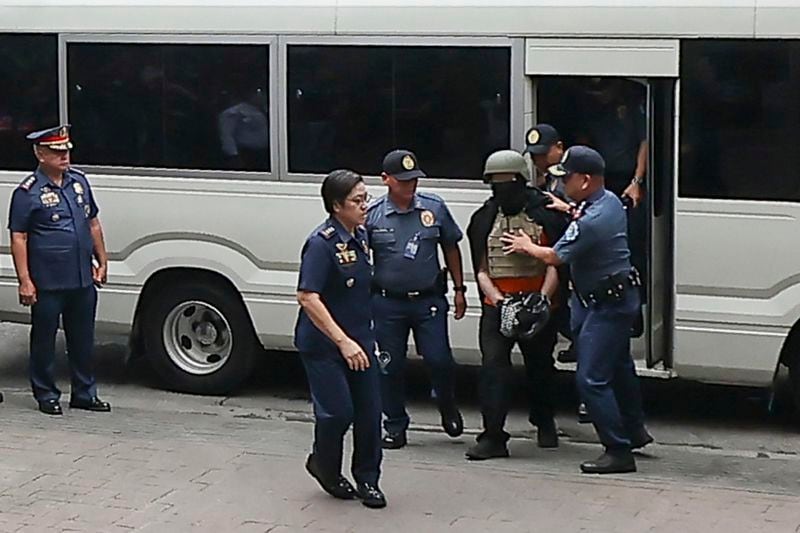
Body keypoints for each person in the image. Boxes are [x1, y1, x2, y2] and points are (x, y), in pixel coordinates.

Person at [500, 146, 653, 474]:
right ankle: (635, 430)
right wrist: (567, 208)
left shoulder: (590, 222)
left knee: (591, 379)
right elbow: (583, 214)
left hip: (606, 305)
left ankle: (617, 449)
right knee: (620, 366)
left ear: (585, 180)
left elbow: (555, 256)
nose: (561, 183)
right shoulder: (608, 201)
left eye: (566, 178)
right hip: (602, 299)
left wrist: (527, 246)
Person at [464, 149, 569, 460]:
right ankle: (493, 436)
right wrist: (498, 300)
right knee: (493, 369)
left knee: (540, 369)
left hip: (539, 304)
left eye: (508, 181)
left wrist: (541, 300)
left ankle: (544, 421)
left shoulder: (545, 213)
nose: (502, 188)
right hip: (498, 305)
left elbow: (556, 263)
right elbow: (482, 269)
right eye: (495, 183)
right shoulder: (483, 219)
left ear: (521, 179)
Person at [294, 169, 386, 509]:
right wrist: (341, 341)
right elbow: (307, 296)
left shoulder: (361, 236)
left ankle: (368, 480)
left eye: (366, 197)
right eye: (357, 200)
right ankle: (324, 465)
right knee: (337, 414)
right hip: (324, 345)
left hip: (361, 340)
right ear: (336, 206)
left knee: (369, 413)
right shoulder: (322, 243)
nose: (366, 205)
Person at [366, 149, 466, 449]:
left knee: (440, 360)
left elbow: (451, 246)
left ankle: (446, 402)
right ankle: (395, 424)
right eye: (403, 180)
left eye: (414, 180)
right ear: (386, 180)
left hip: (428, 301)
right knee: (389, 365)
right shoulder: (373, 215)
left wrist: (460, 290)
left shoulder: (433, 208)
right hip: (387, 303)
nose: (410, 186)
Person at [8, 125, 110, 416]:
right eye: (57, 152)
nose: (65, 156)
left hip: (80, 277)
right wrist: (25, 280)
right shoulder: (27, 192)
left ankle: (84, 393)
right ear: (41, 155)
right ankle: (46, 394)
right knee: (44, 340)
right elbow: (19, 237)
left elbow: (92, 223)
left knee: (83, 339)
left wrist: (102, 260)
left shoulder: (78, 182)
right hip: (48, 280)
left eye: (66, 150)